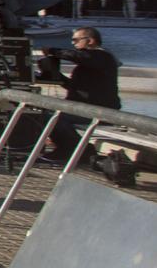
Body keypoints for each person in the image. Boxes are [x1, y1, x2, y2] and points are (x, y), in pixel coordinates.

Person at [38, 26, 125, 172]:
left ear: (90, 41)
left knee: (55, 117)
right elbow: (77, 88)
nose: (73, 44)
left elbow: (79, 56)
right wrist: (56, 76)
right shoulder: (90, 62)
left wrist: (53, 51)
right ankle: (73, 149)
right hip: (85, 108)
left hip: (100, 110)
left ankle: (76, 150)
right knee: (45, 113)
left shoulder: (102, 56)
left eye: (76, 40)